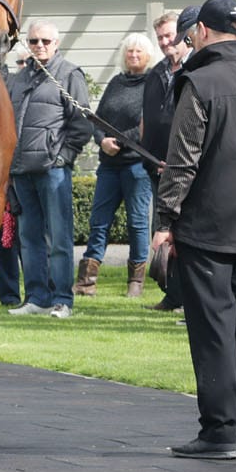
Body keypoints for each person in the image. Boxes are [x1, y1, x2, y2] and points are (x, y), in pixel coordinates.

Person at [154, 0, 236, 459]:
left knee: (213, 329)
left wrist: (164, 219)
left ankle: (219, 431)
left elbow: (183, 161)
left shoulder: (199, 83)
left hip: (206, 226)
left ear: (203, 32)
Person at [6, 18, 91, 319]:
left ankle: (62, 300)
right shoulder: (18, 79)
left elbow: (82, 123)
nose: (39, 46)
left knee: (58, 239)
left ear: (56, 43)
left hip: (52, 170)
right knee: (29, 239)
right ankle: (37, 298)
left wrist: (62, 157)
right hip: (21, 171)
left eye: (45, 41)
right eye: (33, 41)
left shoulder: (68, 74)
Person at [77, 32, 156, 298]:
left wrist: (119, 142)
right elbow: (99, 118)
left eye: (139, 51)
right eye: (129, 51)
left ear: (148, 55)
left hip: (136, 166)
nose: (133, 55)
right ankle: (86, 281)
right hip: (109, 165)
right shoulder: (116, 82)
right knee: (99, 222)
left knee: (137, 223)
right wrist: (101, 141)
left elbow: (148, 125)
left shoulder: (152, 84)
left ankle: (135, 282)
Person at [140, 7, 193, 311]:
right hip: (155, 165)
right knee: (161, 233)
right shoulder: (156, 73)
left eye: (169, 36)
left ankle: (188, 297)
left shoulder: (193, 71)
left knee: (183, 233)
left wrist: (175, 162)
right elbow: (147, 118)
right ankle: (172, 294)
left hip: (182, 167)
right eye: (160, 37)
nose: (164, 42)